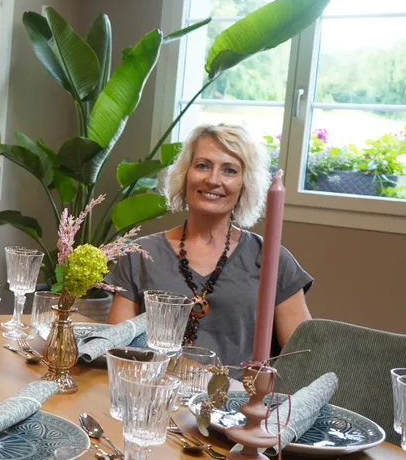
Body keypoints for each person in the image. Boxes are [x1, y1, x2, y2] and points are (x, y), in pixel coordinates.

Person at [106, 122, 313, 367]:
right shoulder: (140, 254)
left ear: (245, 184)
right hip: (154, 395)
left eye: (230, 170)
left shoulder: (273, 260)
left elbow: (302, 362)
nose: (213, 180)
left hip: (237, 401)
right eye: (203, 165)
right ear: (185, 175)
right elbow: (117, 353)